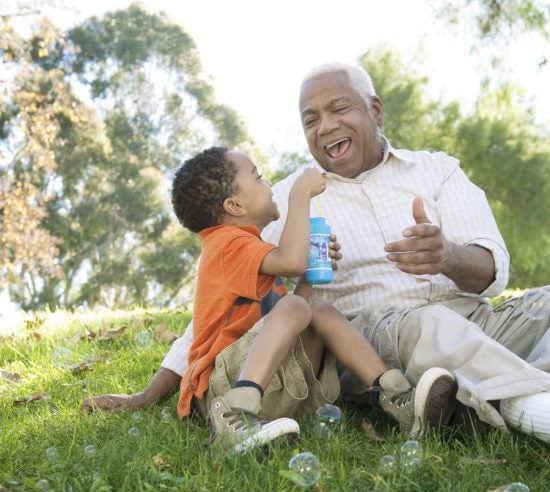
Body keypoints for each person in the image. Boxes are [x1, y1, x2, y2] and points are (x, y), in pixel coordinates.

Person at [83, 62, 550, 443]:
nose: (325, 126)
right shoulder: (285, 201)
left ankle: (486, 389)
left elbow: (493, 269)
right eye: (310, 119)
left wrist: (447, 256)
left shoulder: (438, 171)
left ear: (376, 111)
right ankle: (531, 409)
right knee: (430, 323)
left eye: (338, 109)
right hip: (378, 338)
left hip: (475, 318)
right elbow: (218, 307)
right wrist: (151, 392)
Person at [168, 146, 455, 452]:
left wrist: (308, 278)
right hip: (219, 391)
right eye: (259, 178)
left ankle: (397, 395)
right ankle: (235, 413)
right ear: (236, 205)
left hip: (266, 383)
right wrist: (299, 195)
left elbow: (295, 311)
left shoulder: (250, 250)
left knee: (319, 311)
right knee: (296, 306)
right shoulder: (225, 243)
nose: (268, 185)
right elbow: (291, 262)